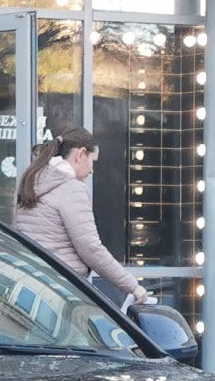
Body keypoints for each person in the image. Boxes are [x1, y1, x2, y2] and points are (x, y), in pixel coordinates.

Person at [13, 127, 148, 306]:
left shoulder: (32, 181)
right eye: (93, 161)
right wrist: (132, 286)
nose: (92, 170)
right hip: (60, 291)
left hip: (32, 286)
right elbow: (91, 249)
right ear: (80, 154)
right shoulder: (72, 188)